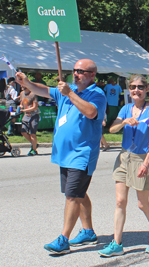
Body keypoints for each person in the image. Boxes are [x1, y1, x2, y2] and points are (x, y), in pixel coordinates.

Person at [15, 59, 107, 254]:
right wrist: (27, 83)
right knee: (77, 192)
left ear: (92, 75)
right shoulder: (67, 89)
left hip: (82, 153)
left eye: (81, 71)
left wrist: (70, 93)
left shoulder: (96, 93)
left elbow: (91, 112)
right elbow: (44, 90)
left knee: (72, 194)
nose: (76, 74)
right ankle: (88, 231)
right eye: (74, 70)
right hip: (65, 154)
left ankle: (63, 238)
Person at [99, 75, 149, 257]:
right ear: (129, 89)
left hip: (141, 158)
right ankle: (117, 243)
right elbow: (111, 129)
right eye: (133, 87)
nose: (137, 90)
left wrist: (147, 161)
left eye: (140, 87)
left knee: (142, 204)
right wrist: (123, 122)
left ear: (146, 89)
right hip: (123, 158)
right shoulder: (126, 108)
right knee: (120, 202)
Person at [19, 85, 40, 156]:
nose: (22, 86)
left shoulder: (33, 94)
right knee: (23, 131)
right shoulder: (22, 93)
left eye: (23, 84)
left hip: (34, 115)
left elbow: (35, 107)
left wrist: (24, 110)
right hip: (26, 115)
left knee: (32, 133)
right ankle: (34, 144)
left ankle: (34, 150)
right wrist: (20, 107)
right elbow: (21, 104)